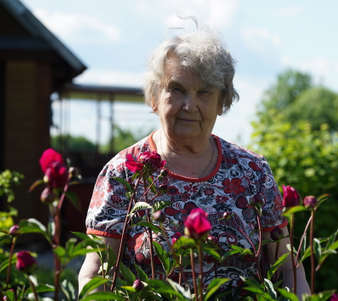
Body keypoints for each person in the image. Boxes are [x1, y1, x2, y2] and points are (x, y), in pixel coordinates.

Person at [78, 30, 310, 298]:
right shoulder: (124, 173)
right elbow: (95, 274)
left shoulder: (252, 172)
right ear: (154, 97)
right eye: (176, 89)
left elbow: (287, 268)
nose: (189, 105)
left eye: (204, 93)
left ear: (221, 102)